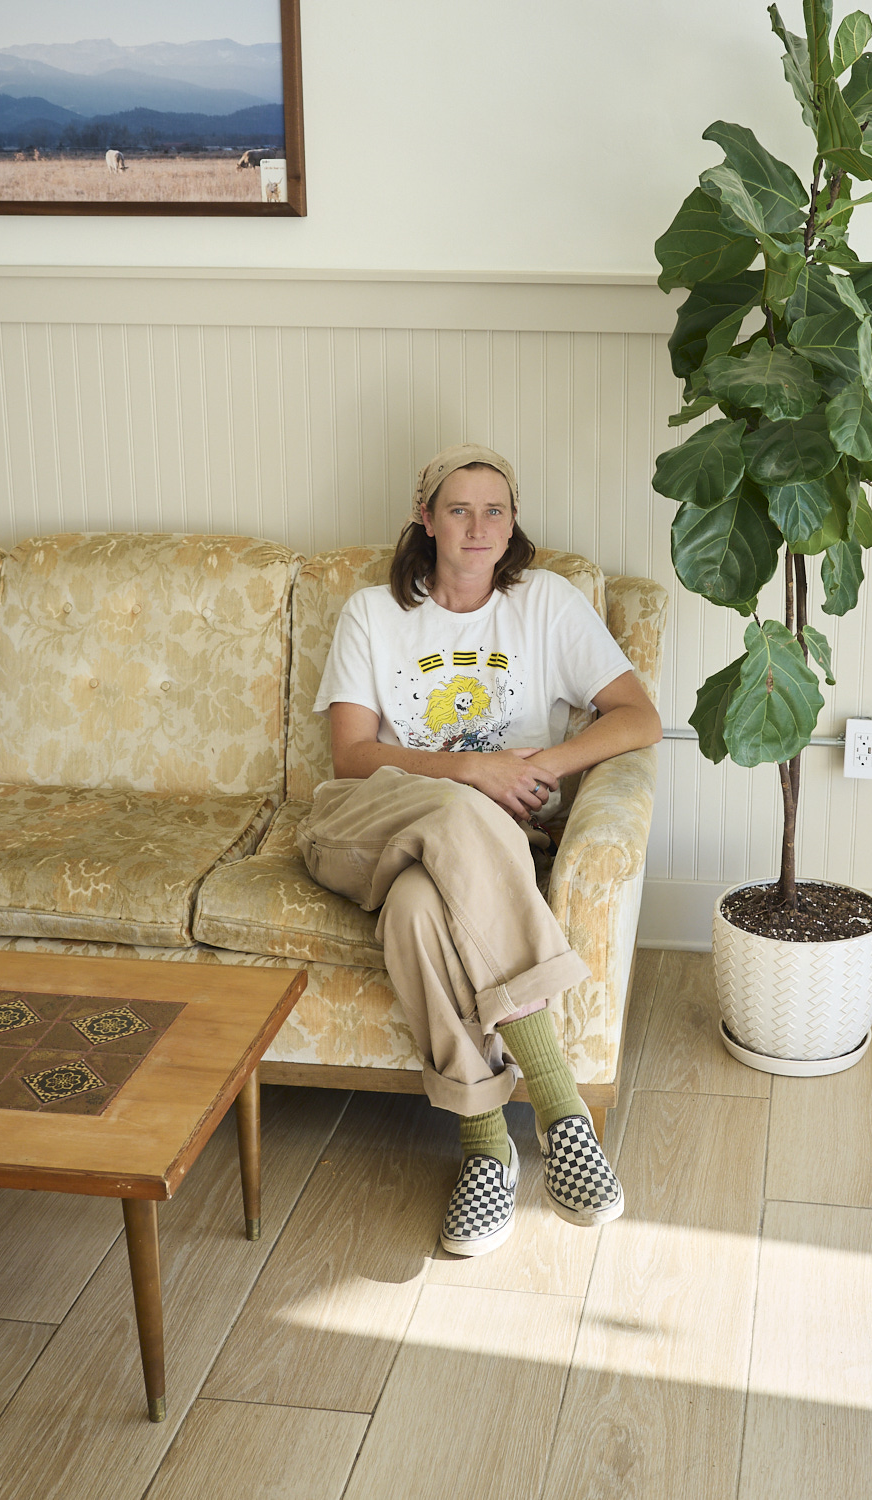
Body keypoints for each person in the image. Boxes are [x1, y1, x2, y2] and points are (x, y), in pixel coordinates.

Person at [296, 442, 661, 1256]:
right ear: (424, 520)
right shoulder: (372, 613)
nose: (478, 526)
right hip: (364, 823)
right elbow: (351, 757)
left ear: (512, 522)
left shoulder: (547, 605)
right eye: (458, 509)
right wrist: (469, 771)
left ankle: (486, 1148)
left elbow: (638, 717)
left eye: (495, 509)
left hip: (473, 854)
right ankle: (562, 1109)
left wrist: (534, 768)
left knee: (418, 915)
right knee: (457, 813)